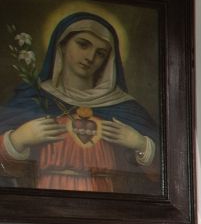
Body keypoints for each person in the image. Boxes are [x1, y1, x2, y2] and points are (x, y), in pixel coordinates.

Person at [0, 12, 162, 192]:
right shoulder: (33, 98)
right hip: (46, 196)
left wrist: (140, 143)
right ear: (62, 44)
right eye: (83, 44)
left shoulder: (126, 109)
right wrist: (19, 138)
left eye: (100, 53)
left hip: (105, 198)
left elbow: (168, 170)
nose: (90, 57)